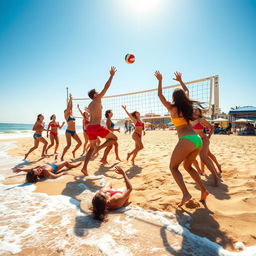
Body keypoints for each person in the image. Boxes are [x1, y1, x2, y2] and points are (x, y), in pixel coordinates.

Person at [155, 71, 208, 207]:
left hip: (187, 140)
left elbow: (160, 95)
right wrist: (180, 80)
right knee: (188, 166)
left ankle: (186, 193)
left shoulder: (172, 107)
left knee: (173, 167)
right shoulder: (188, 106)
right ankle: (204, 190)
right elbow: (186, 90)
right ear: (183, 97)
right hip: (197, 139)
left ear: (173, 97)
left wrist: (160, 80)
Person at [81, 67, 118, 175]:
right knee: (114, 138)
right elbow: (106, 87)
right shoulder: (97, 99)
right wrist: (111, 75)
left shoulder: (90, 104)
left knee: (91, 148)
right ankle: (99, 148)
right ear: (95, 95)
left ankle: (84, 167)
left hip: (89, 128)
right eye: (97, 92)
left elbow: (91, 114)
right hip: (96, 127)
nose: (98, 93)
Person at [191, 108, 219, 185]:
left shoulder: (201, 120)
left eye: (197, 112)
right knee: (191, 158)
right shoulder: (190, 120)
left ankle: (215, 176)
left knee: (204, 158)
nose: (195, 113)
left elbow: (212, 127)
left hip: (203, 139)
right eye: (194, 111)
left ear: (200, 113)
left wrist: (209, 136)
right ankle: (200, 171)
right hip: (194, 141)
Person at [13, 160, 82, 183]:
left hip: (48, 165)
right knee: (65, 162)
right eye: (37, 171)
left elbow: (30, 169)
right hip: (54, 168)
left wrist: (21, 170)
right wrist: (62, 173)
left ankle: (55, 160)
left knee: (52, 161)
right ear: (37, 175)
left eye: (36, 169)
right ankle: (74, 166)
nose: (38, 169)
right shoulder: (45, 171)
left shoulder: (35, 170)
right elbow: (55, 176)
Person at [61, 94, 82, 160]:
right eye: (68, 110)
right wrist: (70, 99)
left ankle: (73, 151)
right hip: (68, 131)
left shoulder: (71, 115)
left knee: (80, 143)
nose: (69, 110)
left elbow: (71, 107)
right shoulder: (66, 116)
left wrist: (71, 99)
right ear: (66, 112)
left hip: (74, 132)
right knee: (69, 145)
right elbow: (69, 107)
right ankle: (62, 157)